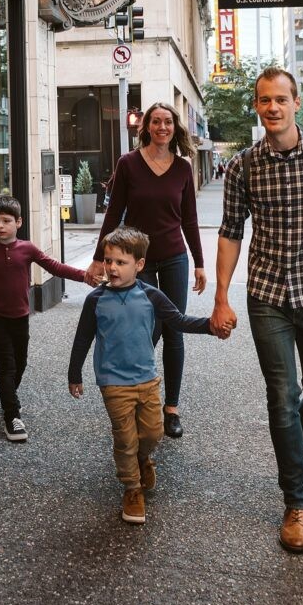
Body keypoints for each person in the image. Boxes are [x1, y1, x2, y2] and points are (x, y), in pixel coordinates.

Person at [211, 67, 303, 554]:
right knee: (282, 398)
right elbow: (230, 232)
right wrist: (221, 296)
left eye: (280, 99)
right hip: (267, 297)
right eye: (264, 100)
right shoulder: (243, 166)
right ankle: (296, 501)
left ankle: (292, 446)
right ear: (256, 106)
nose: (272, 107)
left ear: (296, 103)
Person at [69, 226, 229, 525]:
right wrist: (74, 373)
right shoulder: (96, 300)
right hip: (113, 382)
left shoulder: (151, 296)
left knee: (153, 433)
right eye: (108, 260)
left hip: (147, 379)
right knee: (124, 438)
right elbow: (83, 338)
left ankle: (143, 459)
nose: (112, 268)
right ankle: (131, 488)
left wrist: (210, 326)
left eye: (121, 262)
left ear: (139, 265)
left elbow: (178, 321)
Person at [85, 102, 206, 439]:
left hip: (175, 258)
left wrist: (199, 262)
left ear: (174, 127)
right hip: (139, 260)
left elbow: (190, 220)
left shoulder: (182, 168)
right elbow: (113, 214)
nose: (162, 127)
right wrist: (99, 258)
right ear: (147, 127)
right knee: (146, 328)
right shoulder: (128, 164)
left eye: (167, 122)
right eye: (156, 122)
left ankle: (171, 408)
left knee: (175, 328)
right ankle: (136, 395)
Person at [0, 195, 93, 442]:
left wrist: (84, 276)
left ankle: (9, 396)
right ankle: (12, 415)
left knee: (21, 363)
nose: (0, 226)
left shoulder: (27, 249)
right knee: (6, 365)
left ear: (19, 222)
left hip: (20, 317)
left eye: (6, 221)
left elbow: (54, 267)